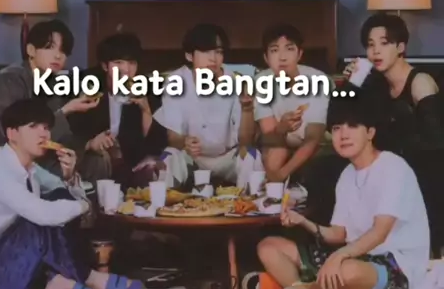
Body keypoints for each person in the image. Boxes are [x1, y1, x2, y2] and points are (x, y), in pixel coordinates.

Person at [242, 96, 429, 289]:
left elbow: (379, 233)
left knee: (347, 271)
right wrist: (303, 221)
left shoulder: (393, 167)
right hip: (353, 254)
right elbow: (338, 234)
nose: (343, 135)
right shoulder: (347, 175)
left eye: (353, 126)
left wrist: (338, 256)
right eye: (337, 128)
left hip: (396, 266)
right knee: (269, 247)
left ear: (370, 132)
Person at [0, 99, 142, 289]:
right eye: (33, 127)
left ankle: (57, 283)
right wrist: (84, 206)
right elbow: (43, 214)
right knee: (40, 217)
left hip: (12, 262)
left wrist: (70, 176)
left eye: (46, 127)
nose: (44, 134)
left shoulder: (29, 167)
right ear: (12, 133)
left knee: (59, 197)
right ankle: (87, 276)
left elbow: (62, 192)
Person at [345, 13, 444, 256]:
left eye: (384, 43)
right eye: (370, 45)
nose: (375, 51)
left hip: (427, 172)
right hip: (394, 171)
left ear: (400, 47)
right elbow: (344, 122)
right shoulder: (376, 84)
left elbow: (435, 143)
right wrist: (352, 84)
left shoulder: (420, 83)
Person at [0, 19, 111, 183]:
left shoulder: (51, 83)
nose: (58, 55)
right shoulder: (9, 79)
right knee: (54, 173)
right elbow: (12, 136)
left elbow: (61, 136)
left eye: (63, 51)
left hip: (36, 152)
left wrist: (89, 144)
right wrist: (66, 110)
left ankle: (98, 200)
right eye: (49, 47)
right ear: (31, 50)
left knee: (95, 160)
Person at [153, 23, 260, 188]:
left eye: (219, 52)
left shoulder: (236, 81)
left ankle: (249, 201)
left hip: (227, 157)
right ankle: (164, 202)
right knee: (169, 156)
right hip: (193, 158)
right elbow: (173, 136)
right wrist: (185, 142)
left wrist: (247, 109)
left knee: (252, 156)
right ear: (189, 56)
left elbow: (245, 141)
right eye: (206, 51)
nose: (213, 58)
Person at [69, 33, 167, 189]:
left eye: (131, 63)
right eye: (118, 62)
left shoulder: (146, 90)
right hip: (94, 159)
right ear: (105, 65)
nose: (126, 69)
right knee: (99, 159)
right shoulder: (86, 86)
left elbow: (157, 144)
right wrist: (91, 143)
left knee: (155, 165)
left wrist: (146, 110)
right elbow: (70, 132)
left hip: (130, 160)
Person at [254, 24, 330, 188]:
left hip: (312, 146)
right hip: (279, 142)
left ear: (299, 54)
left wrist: (281, 175)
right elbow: (269, 136)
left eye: (289, 49)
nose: (282, 57)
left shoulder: (317, 81)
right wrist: (282, 128)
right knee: (274, 151)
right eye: (274, 50)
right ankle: (270, 198)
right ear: (266, 58)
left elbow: (313, 138)